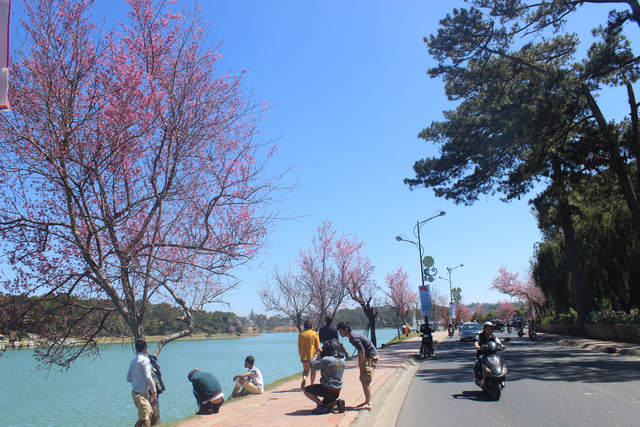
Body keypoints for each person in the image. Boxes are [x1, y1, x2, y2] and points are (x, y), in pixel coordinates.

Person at [337, 321, 378, 410]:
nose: (340, 333)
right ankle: (367, 401)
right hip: (368, 356)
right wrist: (361, 363)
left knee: (365, 378)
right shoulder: (351, 337)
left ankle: (368, 403)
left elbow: (361, 351)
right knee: (364, 378)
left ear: (346, 329)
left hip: (371, 356)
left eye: (341, 331)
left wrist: (361, 364)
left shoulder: (354, 337)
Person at [304, 338, 347, 415]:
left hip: (327, 389)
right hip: (336, 391)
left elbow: (313, 366)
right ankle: (337, 402)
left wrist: (317, 353)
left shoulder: (327, 360)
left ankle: (320, 405)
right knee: (327, 406)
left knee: (306, 390)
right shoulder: (342, 361)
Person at [126, 340, 157, 427]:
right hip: (140, 394)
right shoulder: (145, 360)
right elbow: (148, 376)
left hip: (136, 393)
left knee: (147, 414)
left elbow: (128, 378)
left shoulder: (133, 361)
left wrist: (136, 380)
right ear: (145, 348)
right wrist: (154, 390)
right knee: (146, 416)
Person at [298, 320, 321, 389]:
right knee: (313, 370)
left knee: (305, 370)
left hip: (304, 354)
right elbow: (318, 346)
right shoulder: (315, 333)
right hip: (312, 354)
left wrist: (300, 353)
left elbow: (299, 346)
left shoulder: (301, 334)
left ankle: (304, 377)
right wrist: (319, 356)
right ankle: (312, 384)